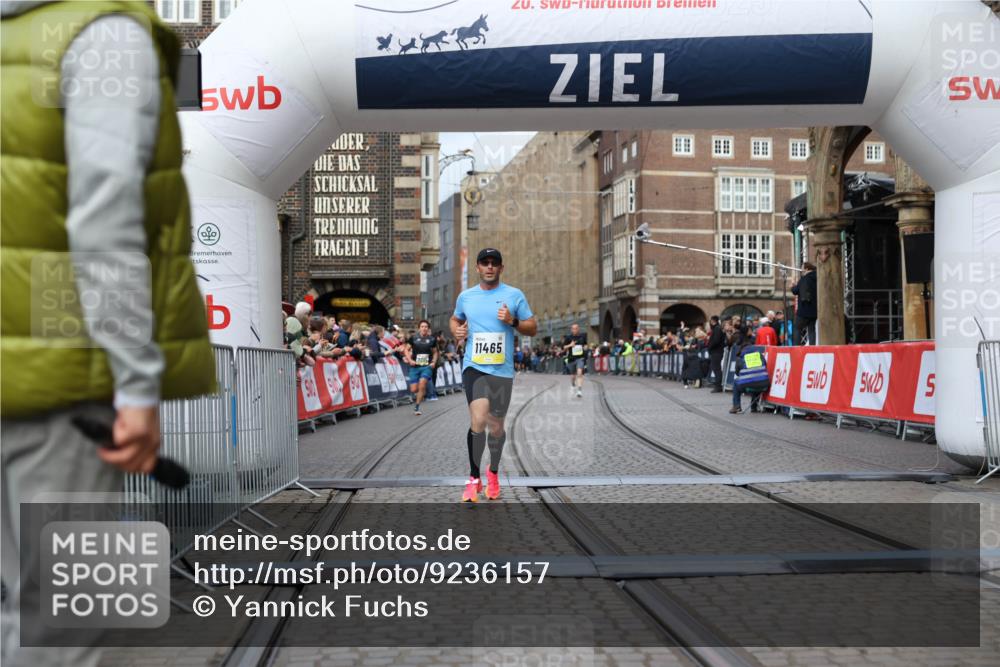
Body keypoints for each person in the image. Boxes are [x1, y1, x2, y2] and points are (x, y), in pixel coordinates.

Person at [1, 3, 216, 665]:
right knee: (70, 615)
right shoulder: (102, 34)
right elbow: (104, 216)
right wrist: (136, 382)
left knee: (18, 602)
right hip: (64, 376)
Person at [450, 248, 537, 502]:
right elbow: (454, 320)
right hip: (474, 366)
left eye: (494, 263)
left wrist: (513, 321)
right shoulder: (466, 297)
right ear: (477, 267)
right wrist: (457, 331)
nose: (489, 267)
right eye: (485, 263)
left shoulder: (514, 295)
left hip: (502, 370)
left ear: (501, 268)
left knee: (496, 426)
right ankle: (474, 478)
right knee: (478, 419)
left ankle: (494, 472)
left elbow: (532, 327)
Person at [403, 320, 438, 415]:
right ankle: (421, 392)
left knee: (422, 384)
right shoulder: (413, 338)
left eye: (426, 326)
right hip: (415, 367)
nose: (424, 328)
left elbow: (435, 352)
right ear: (419, 328)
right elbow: (406, 350)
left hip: (426, 366)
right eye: (422, 326)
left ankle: (417, 407)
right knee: (414, 389)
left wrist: (433, 362)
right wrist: (410, 360)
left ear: (428, 328)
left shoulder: (432, 339)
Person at [730, 346, 770, 414]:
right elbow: (765, 366)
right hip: (764, 385)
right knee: (756, 380)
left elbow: (737, 373)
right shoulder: (760, 355)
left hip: (749, 385)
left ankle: (736, 406)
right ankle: (754, 407)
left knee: (736, 382)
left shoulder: (740, 358)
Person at [792, 262, 818, 345]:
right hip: (814, 310)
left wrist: (793, 286)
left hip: (804, 309)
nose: (802, 270)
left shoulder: (804, 278)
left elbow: (796, 291)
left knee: (796, 327)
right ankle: (812, 347)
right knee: (811, 330)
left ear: (806, 269)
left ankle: (796, 347)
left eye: (802, 268)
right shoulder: (818, 278)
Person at [562, 323, 588, 397]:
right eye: (573, 328)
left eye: (576, 328)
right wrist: (570, 345)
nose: (575, 330)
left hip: (580, 358)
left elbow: (585, 344)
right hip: (571, 358)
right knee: (573, 376)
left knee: (579, 373)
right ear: (571, 329)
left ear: (578, 329)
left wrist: (585, 347)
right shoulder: (568, 338)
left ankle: (579, 391)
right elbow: (563, 348)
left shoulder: (582, 336)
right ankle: (573, 385)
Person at [707, 315, 726, 393]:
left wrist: (710, 346)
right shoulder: (717, 328)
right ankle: (717, 385)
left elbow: (716, 341)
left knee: (716, 369)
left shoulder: (717, 329)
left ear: (712, 321)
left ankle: (718, 386)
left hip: (716, 352)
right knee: (716, 369)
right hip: (716, 351)